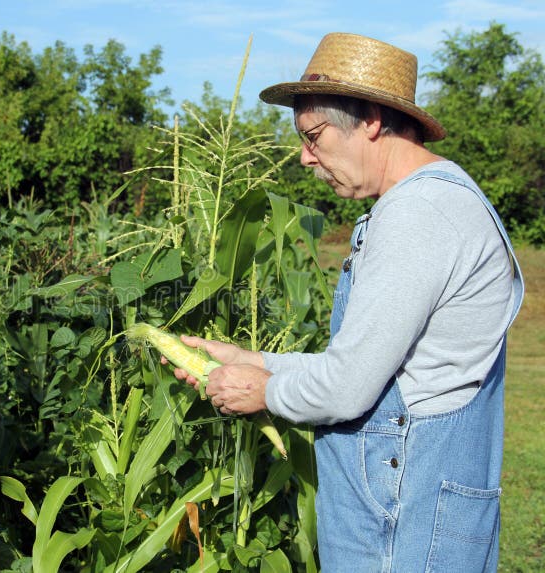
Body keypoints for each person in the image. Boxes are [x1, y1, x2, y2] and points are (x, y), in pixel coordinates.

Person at [170, 32, 525, 571]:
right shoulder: (436, 200)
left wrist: (261, 389)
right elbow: (380, 370)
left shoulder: (418, 216)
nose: (306, 158)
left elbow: (349, 389)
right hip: (420, 500)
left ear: (372, 122)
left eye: (314, 137)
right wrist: (254, 362)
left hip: (403, 508)